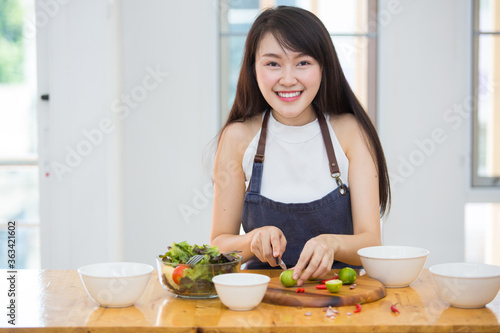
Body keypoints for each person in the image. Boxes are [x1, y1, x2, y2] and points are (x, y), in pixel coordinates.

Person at [210, 6, 391, 286]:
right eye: (273, 64)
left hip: (341, 300)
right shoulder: (238, 137)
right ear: (253, 68)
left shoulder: (350, 133)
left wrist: (332, 244)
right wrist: (253, 239)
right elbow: (219, 245)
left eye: (303, 63)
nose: (288, 79)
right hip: (261, 301)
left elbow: (371, 243)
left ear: (323, 67)